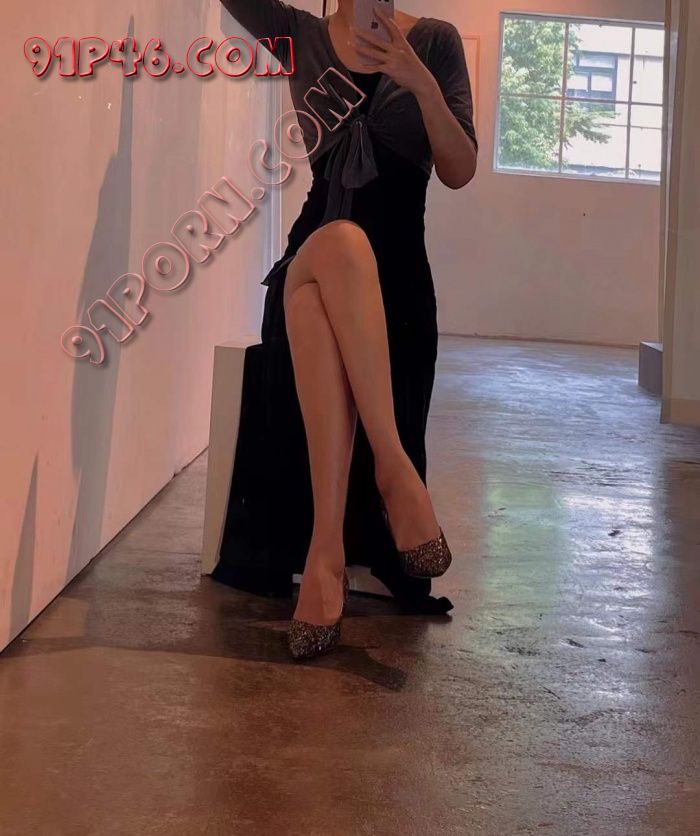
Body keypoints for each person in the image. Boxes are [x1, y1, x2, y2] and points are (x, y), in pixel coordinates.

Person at [213, 0, 478, 659]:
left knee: (318, 301)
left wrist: (421, 84)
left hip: (396, 287)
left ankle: (324, 556)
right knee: (341, 244)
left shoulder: (436, 42)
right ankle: (395, 469)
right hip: (314, 251)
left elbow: (459, 170)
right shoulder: (298, 33)